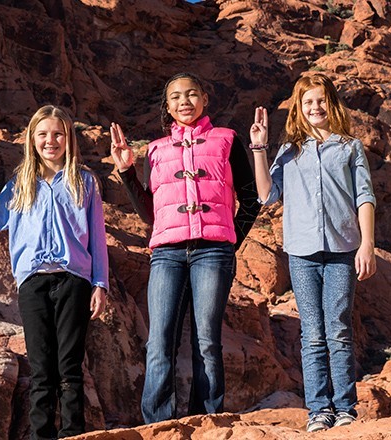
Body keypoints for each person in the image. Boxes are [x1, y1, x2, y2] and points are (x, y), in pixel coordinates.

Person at [109, 72, 260, 423]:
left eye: (192, 94)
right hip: (167, 253)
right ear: (167, 106)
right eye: (176, 97)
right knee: (160, 341)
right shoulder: (157, 150)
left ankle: (206, 420)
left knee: (206, 341)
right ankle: (159, 424)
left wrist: (229, 240)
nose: (184, 102)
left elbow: (251, 198)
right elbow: (151, 212)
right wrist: (127, 172)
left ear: (205, 98)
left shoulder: (226, 139)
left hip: (213, 252)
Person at [0, 105, 109, 439]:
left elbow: (98, 238)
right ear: (32, 139)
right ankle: (40, 435)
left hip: (74, 280)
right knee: (42, 367)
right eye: (43, 134)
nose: (51, 141)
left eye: (58, 134)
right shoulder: (21, 183)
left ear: (69, 139)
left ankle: (75, 433)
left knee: (70, 367)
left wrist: (100, 283)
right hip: (33, 283)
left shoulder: (84, 182)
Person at [249, 74, 376, 432]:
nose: (315, 107)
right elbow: (267, 195)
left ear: (331, 104)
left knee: (337, 328)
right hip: (302, 251)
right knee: (313, 333)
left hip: (342, 249)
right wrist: (259, 149)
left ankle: (345, 407)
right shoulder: (289, 151)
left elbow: (364, 196)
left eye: (321, 101)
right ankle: (319, 409)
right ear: (299, 109)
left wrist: (367, 243)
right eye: (308, 103)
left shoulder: (349, 147)